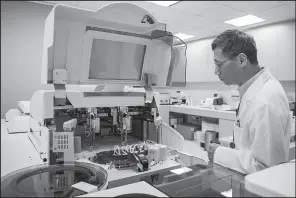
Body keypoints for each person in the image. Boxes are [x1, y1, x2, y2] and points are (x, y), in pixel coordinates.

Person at [208, 29, 292, 174]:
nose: (216, 71)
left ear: (241, 60)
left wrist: (219, 154)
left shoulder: (265, 101)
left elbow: (265, 167)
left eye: (219, 64)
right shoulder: (252, 91)